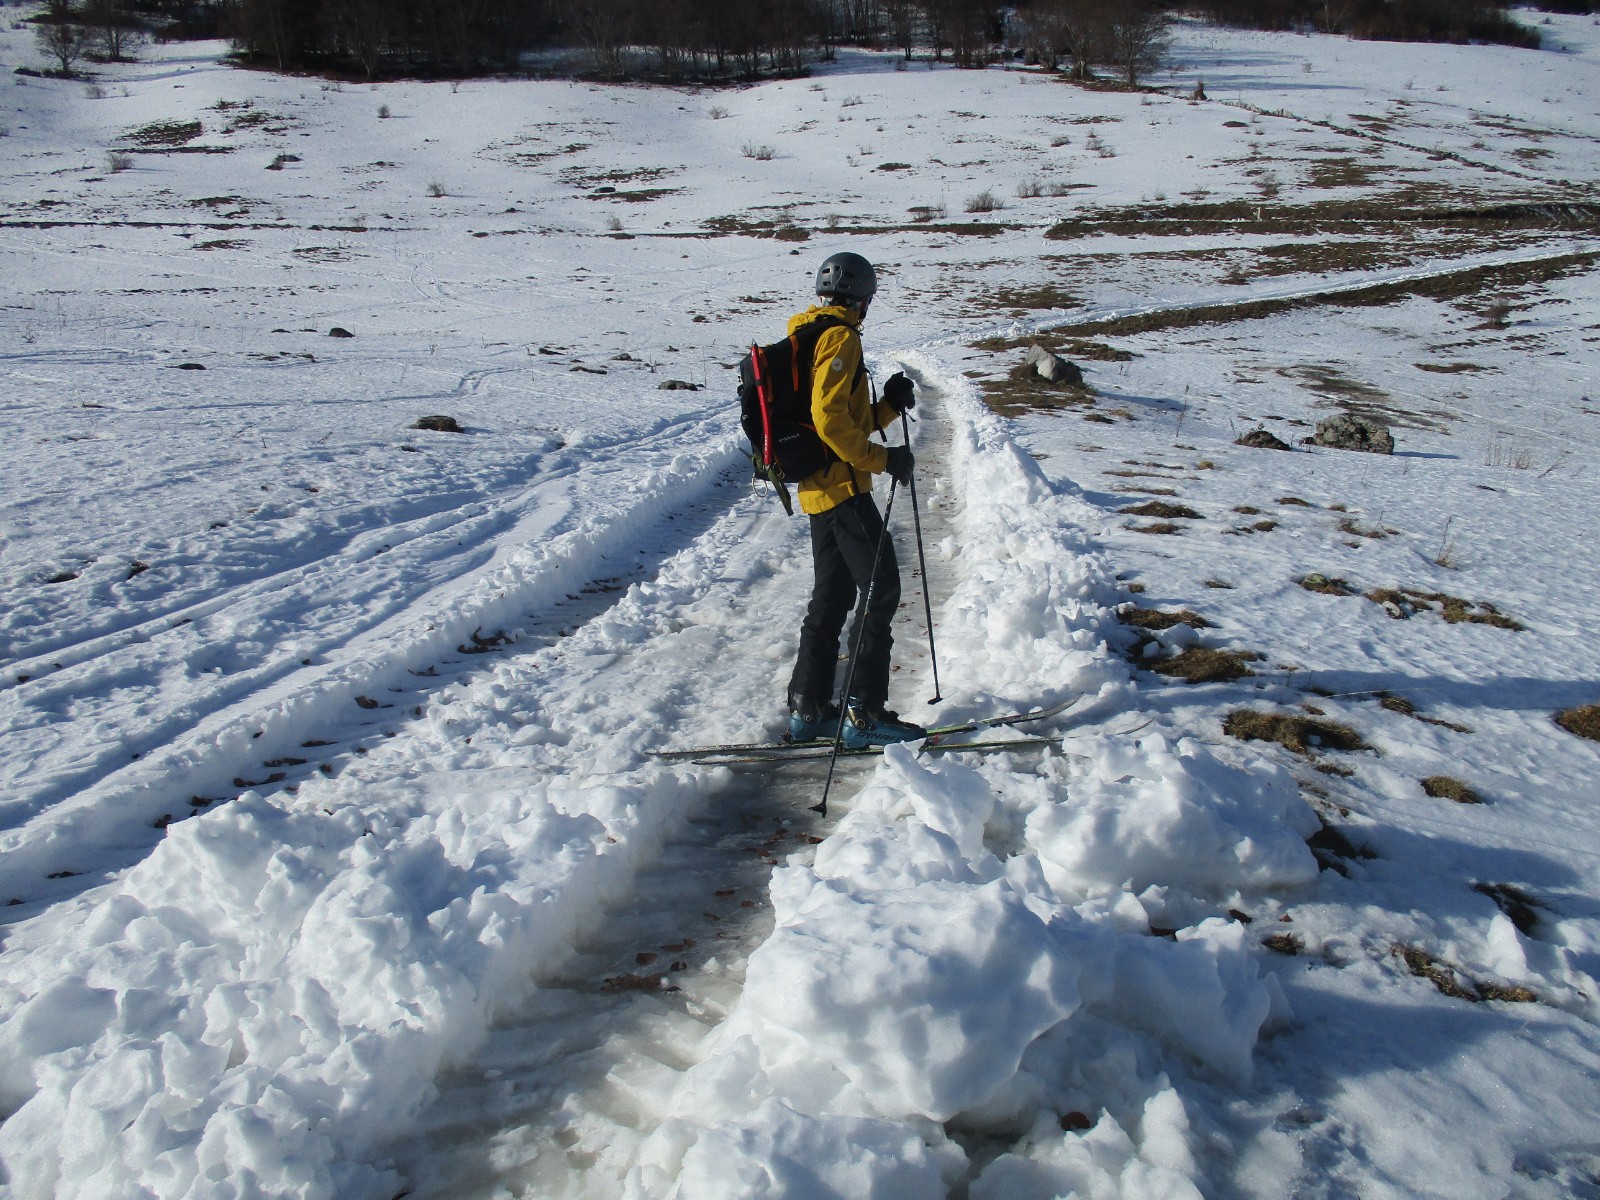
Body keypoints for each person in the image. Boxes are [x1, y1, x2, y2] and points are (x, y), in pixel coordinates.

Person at [785, 252, 926, 748]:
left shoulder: (811, 334)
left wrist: (887, 406)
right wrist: (883, 461)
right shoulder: (841, 336)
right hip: (843, 490)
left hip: (818, 489)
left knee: (834, 597)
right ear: (862, 298)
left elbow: (842, 420)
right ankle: (864, 711)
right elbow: (829, 421)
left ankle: (809, 709)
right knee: (881, 588)